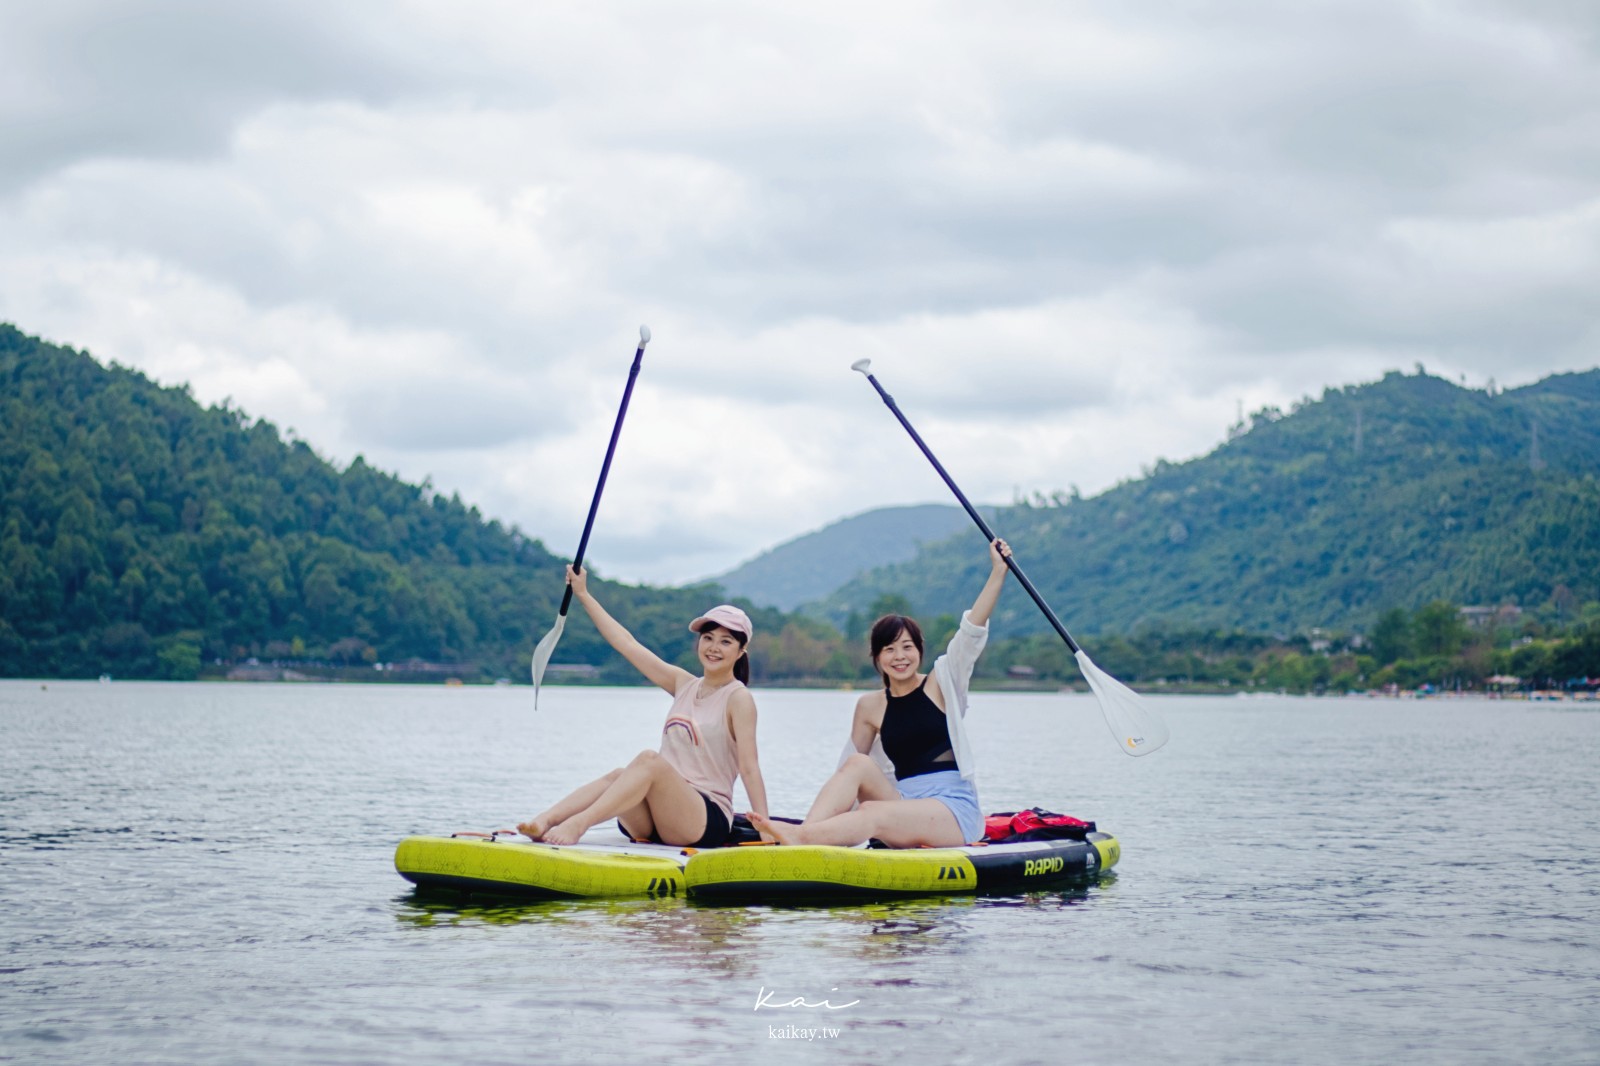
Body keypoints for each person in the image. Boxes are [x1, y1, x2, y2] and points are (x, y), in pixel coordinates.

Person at [751, 538, 1010, 849]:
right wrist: (835, 824)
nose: (899, 656)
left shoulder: (942, 682)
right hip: (901, 801)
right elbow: (847, 772)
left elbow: (970, 632)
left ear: (919, 651)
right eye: (889, 649)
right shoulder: (870, 706)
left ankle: (801, 838)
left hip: (950, 809)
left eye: (907, 647)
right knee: (857, 765)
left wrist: (998, 571)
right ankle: (809, 835)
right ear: (877, 657)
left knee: (873, 812)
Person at [517, 565, 770, 848]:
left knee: (649, 761)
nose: (714, 647)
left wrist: (767, 828)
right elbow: (626, 644)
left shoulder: (738, 698)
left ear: (740, 652)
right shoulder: (683, 684)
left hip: (702, 819)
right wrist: (583, 593)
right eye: (708, 638)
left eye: (726, 642)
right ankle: (547, 819)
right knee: (618, 776)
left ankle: (578, 823)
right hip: (655, 818)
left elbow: (750, 768)